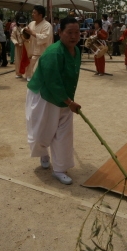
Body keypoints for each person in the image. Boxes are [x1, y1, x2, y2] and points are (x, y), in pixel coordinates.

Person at [26, 17, 81, 185]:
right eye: (69, 32)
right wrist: (69, 102)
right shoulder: (53, 53)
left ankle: (59, 169)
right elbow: (52, 81)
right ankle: (43, 153)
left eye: (77, 32)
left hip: (64, 98)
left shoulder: (76, 51)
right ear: (60, 33)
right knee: (43, 131)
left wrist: (69, 100)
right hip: (45, 96)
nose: (73, 36)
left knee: (64, 132)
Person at [23, 5, 53, 81]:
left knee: (39, 74)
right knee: (31, 74)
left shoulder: (47, 25)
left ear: (40, 15)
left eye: (34, 13)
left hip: (42, 53)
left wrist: (33, 33)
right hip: (32, 51)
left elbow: (45, 37)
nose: (32, 14)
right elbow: (28, 36)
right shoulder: (31, 23)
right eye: (32, 12)